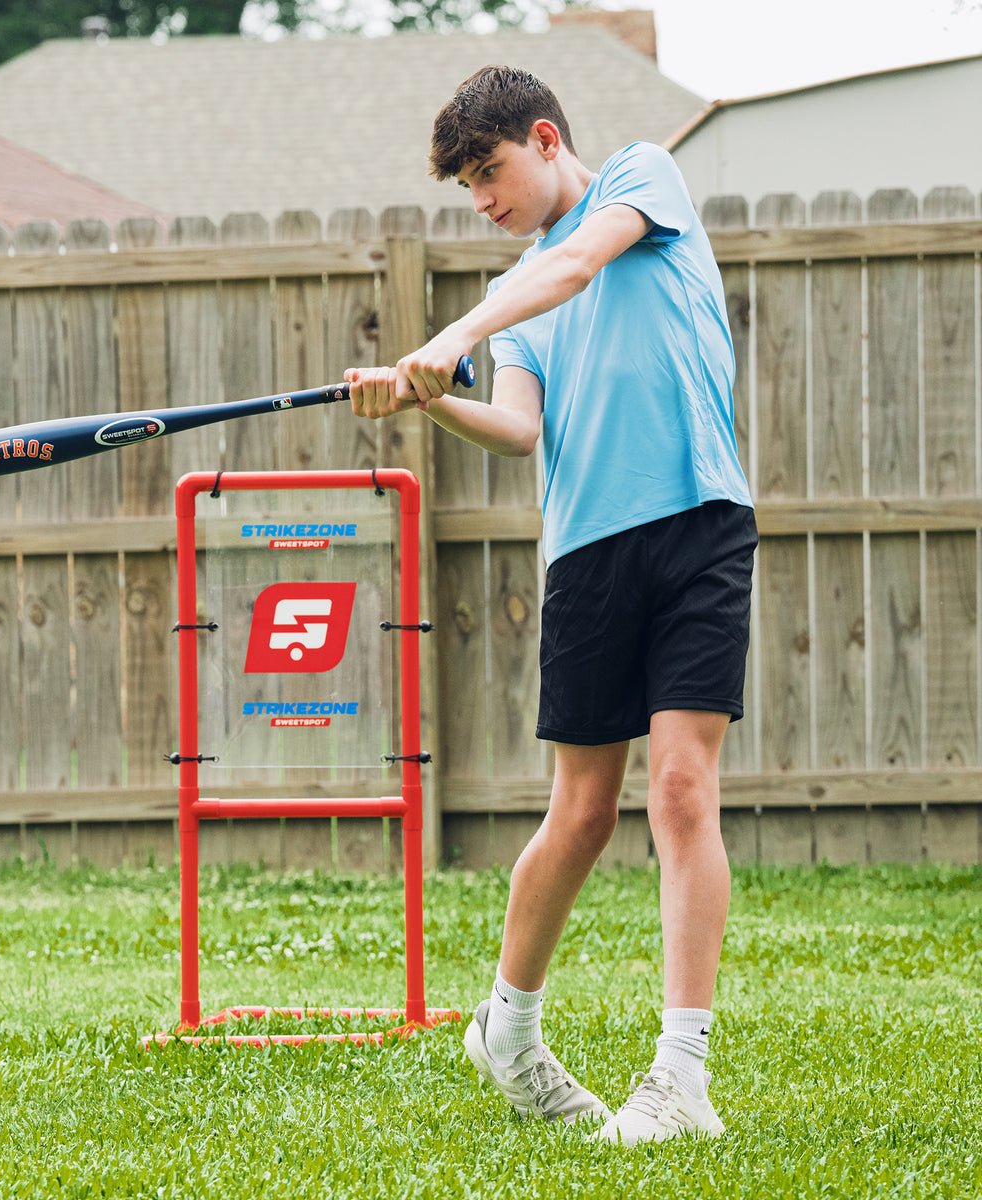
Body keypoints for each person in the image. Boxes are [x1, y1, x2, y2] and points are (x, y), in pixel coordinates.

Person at [345, 65, 756, 1145]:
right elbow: (521, 427)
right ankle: (508, 1033)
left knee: (679, 788)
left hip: (700, 523)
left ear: (544, 138)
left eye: (490, 174)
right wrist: (436, 399)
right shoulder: (520, 301)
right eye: (468, 187)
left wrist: (447, 338)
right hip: (588, 552)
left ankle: (681, 1078)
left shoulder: (640, 179)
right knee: (579, 813)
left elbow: (576, 264)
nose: (484, 201)